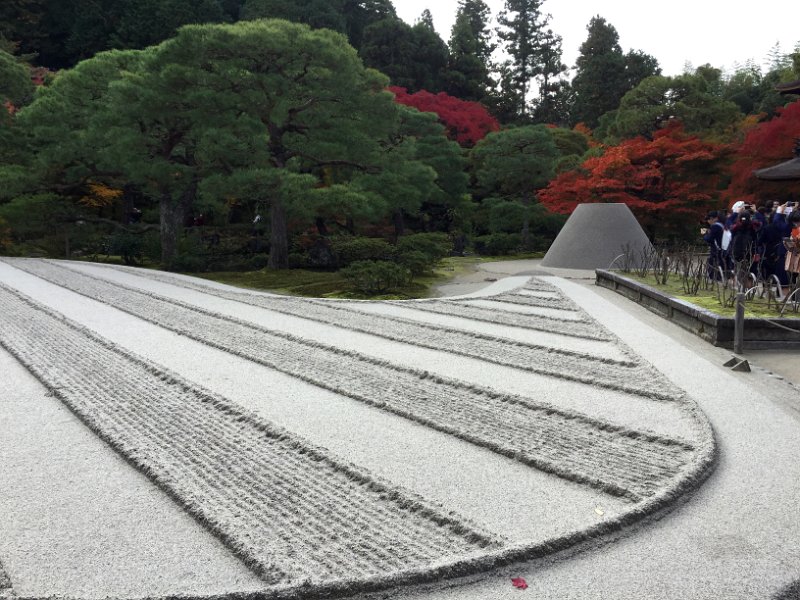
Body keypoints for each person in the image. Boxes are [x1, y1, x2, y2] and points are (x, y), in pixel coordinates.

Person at [701, 210, 726, 279]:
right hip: (723, 247)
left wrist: (705, 235)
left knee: (712, 264)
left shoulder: (715, 226)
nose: (708, 221)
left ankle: (715, 279)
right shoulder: (722, 224)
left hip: (717, 249)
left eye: (709, 219)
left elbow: (709, 239)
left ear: (713, 218)